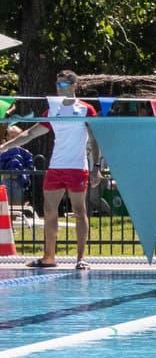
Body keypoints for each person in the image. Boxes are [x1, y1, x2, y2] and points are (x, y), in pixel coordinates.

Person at [32, 70, 95, 270]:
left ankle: (80, 258)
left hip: (77, 167)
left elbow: (94, 139)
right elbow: (33, 131)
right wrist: (6, 146)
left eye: (63, 84)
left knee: (79, 211)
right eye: (57, 85)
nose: (58, 89)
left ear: (74, 85)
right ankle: (48, 257)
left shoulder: (86, 109)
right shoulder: (52, 109)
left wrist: (97, 167)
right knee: (49, 211)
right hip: (55, 167)